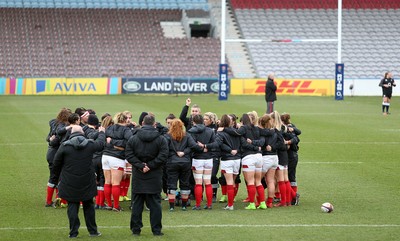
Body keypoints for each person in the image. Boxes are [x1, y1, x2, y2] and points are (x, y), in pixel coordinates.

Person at [52, 125, 105, 238]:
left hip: (70, 180)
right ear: (82, 133)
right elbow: (100, 145)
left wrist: (57, 178)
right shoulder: (89, 144)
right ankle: (93, 231)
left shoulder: (65, 146)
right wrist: (101, 132)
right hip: (87, 180)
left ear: (71, 133)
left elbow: (56, 163)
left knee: (72, 205)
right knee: (89, 205)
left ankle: (73, 232)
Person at [125, 115, 169, 236]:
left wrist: (141, 165)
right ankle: (156, 230)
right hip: (154, 174)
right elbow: (164, 155)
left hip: (139, 174)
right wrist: (150, 165)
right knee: (155, 203)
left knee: (137, 203)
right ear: (154, 124)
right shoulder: (161, 139)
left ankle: (136, 229)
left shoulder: (133, 138)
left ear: (143, 123)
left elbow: (129, 154)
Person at [164, 119, 202, 211]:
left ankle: (172, 207)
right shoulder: (187, 135)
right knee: (185, 184)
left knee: (171, 184)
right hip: (185, 162)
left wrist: (173, 153)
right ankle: (184, 205)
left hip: (172, 162)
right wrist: (185, 152)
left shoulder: (167, 136)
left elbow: (164, 148)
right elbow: (194, 146)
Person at [101, 112, 133, 211]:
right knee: (116, 183)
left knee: (107, 181)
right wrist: (119, 145)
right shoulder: (126, 130)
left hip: (105, 156)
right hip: (116, 158)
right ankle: (116, 206)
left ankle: (109, 204)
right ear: (125, 120)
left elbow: (105, 140)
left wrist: (113, 142)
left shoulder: (109, 128)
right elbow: (131, 141)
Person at [187, 114, 219, 210]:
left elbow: (192, 145)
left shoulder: (191, 131)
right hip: (208, 159)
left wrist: (201, 148)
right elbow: (215, 144)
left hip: (197, 159)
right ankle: (209, 204)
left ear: (193, 122)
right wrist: (206, 147)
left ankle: (198, 205)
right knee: (208, 182)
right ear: (203, 121)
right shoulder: (210, 131)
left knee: (198, 183)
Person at [45, 107, 72, 207]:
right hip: (56, 154)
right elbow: (56, 139)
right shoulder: (63, 127)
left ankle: (51, 201)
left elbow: (48, 137)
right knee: (59, 177)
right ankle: (60, 200)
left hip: (50, 153)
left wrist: (50, 140)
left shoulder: (54, 123)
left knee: (54, 176)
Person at [216, 114, 242, 210]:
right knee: (233, 181)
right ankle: (230, 203)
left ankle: (230, 205)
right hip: (237, 159)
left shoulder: (220, 133)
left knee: (229, 182)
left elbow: (219, 144)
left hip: (227, 159)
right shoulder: (236, 132)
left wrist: (229, 150)